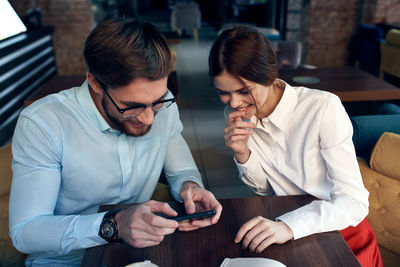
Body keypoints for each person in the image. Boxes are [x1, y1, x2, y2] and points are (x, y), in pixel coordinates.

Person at [9, 17, 222, 266]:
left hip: (142, 254)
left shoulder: (163, 105)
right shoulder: (44, 122)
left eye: (157, 101)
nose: (149, 117)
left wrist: (190, 187)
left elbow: (182, 170)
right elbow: (26, 232)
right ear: (95, 82)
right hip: (68, 262)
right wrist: (114, 224)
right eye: (131, 107)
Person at [208, 27, 382, 267]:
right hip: (288, 229)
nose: (234, 103)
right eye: (224, 93)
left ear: (268, 76)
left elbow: (354, 203)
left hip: (343, 234)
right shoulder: (237, 111)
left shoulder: (323, 109)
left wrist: (288, 226)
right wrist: (242, 153)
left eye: (244, 91)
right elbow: (264, 189)